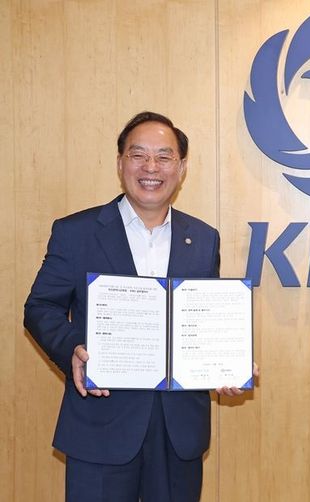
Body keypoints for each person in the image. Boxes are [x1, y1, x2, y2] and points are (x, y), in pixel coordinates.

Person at [24, 111, 254, 502]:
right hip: (100, 426)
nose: (151, 167)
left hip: (178, 431)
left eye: (164, 157)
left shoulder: (203, 238)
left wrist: (225, 363)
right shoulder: (76, 232)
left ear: (181, 168)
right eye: (138, 155)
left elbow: (203, 321)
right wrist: (72, 349)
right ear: (120, 163)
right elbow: (40, 307)